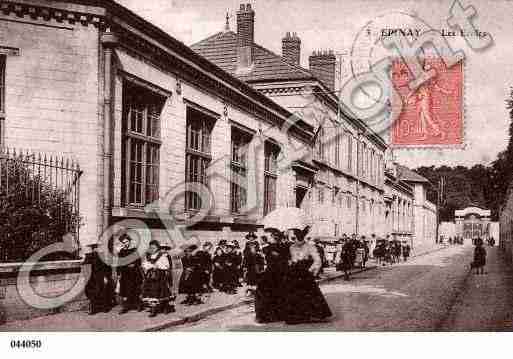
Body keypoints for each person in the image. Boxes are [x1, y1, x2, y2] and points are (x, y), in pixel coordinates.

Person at [283, 227, 332, 325]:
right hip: (294, 273)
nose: (294, 240)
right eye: (292, 239)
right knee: (294, 295)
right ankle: (297, 316)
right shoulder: (291, 247)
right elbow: (291, 259)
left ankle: (310, 314)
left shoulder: (310, 246)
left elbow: (318, 260)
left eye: (294, 238)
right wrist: (290, 263)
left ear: (300, 237)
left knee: (308, 294)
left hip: (305, 273)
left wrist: (311, 271)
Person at [254, 228, 290, 323]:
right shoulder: (284, 247)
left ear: (273, 237)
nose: (267, 237)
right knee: (277, 294)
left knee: (265, 294)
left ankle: (264, 316)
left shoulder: (268, 248)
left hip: (272, 274)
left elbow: (262, 261)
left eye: (269, 236)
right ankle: (277, 315)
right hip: (280, 274)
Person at [141, 240, 173, 317]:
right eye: (151, 247)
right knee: (152, 293)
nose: (152, 249)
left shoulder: (162, 256)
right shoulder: (148, 256)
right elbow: (144, 265)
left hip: (159, 276)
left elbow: (167, 266)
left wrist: (157, 266)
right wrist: (148, 267)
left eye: (154, 247)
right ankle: (153, 309)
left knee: (160, 292)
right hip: (150, 276)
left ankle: (165, 307)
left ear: (157, 248)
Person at [84, 243, 115, 315]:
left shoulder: (102, 256)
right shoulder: (89, 256)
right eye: (92, 248)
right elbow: (85, 265)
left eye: (95, 247)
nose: (94, 249)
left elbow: (107, 267)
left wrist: (106, 277)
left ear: (97, 248)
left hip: (100, 276)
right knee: (93, 292)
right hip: (92, 277)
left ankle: (104, 308)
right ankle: (94, 309)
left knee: (102, 292)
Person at [116, 234, 143, 314]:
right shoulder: (121, 252)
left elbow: (139, 261)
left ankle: (138, 305)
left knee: (135, 289)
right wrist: (118, 273)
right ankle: (125, 307)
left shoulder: (134, 250)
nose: (125, 243)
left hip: (134, 273)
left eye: (127, 241)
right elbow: (119, 263)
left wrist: (134, 265)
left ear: (129, 241)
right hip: (125, 274)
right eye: (123, 242)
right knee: (125, 291)